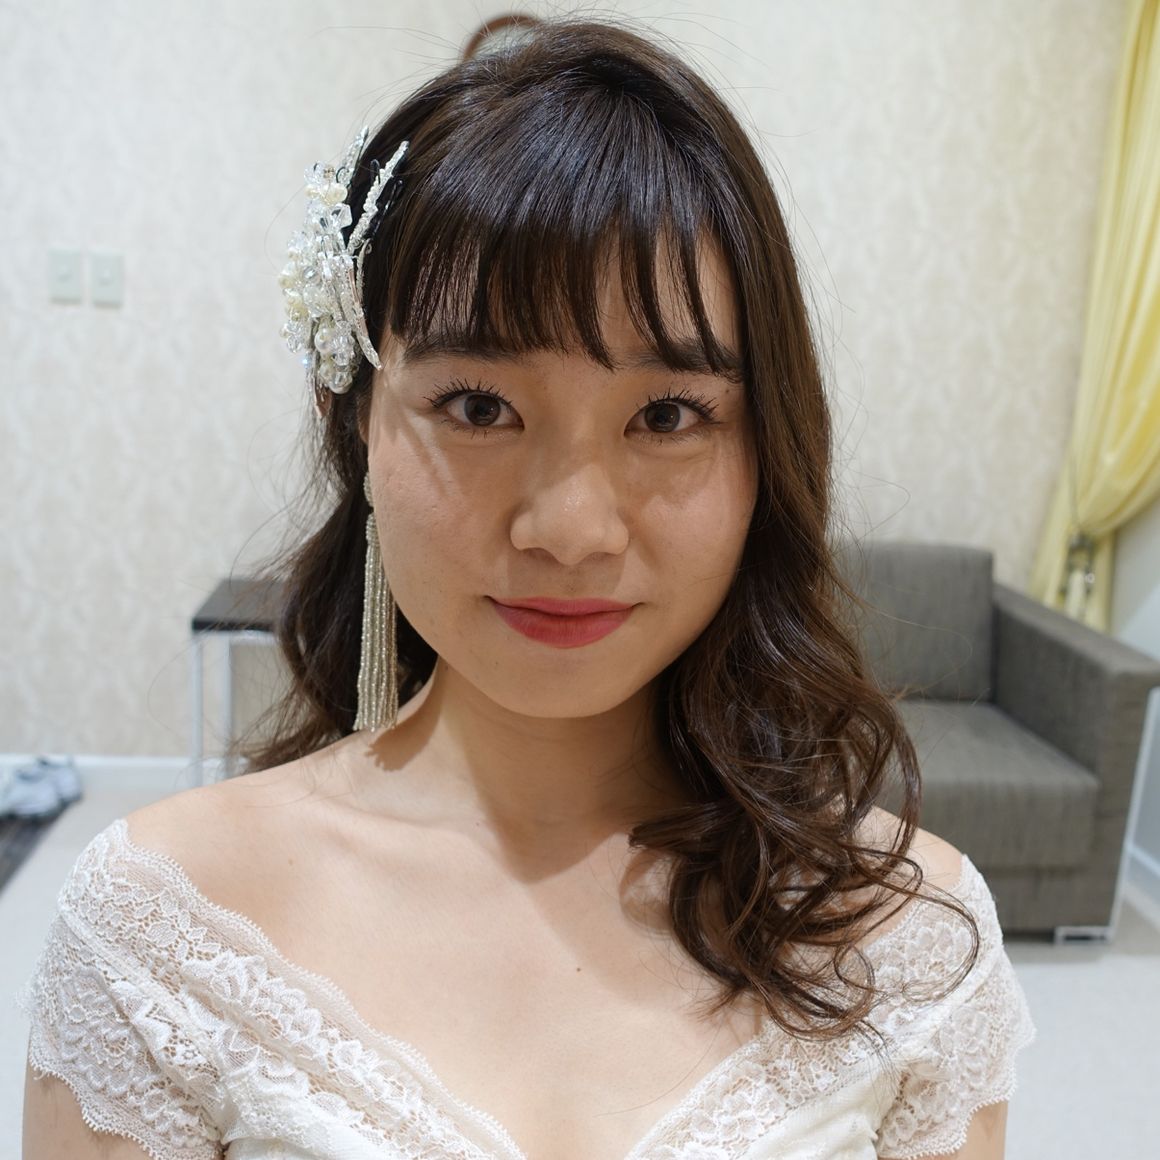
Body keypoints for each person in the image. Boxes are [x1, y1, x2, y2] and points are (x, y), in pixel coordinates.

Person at [18, 17, 1034, 1159]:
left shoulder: (908, 940)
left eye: (666, 415)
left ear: (767, 450)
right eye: (479, 407)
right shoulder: (162, 932)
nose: (570, 530)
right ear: (357, 424)